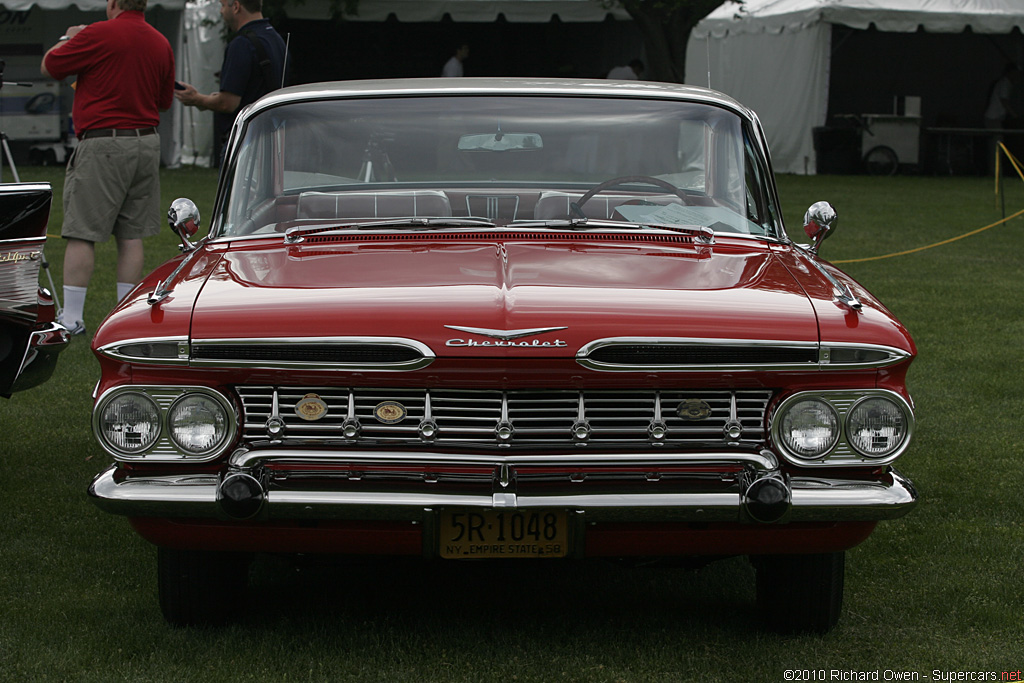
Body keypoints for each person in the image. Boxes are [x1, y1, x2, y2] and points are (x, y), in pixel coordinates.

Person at [40, 0, 175, 336]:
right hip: (146, 142)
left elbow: (50, 66)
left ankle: (71, 317)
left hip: (103, 142)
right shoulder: (160, 41)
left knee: (82, 232)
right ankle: (125, 316)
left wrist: (67, 38)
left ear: (113, 2)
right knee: (131, 235)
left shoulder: (97, 34)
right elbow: (164, 100)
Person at [175, 0, 287, 164]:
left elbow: (228, 103)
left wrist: (197, 99)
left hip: (244, 143)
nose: (220, 12)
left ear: (235, 6)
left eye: (222, 5)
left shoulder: (241, 44)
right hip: (271, 140)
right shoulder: (276, 39)